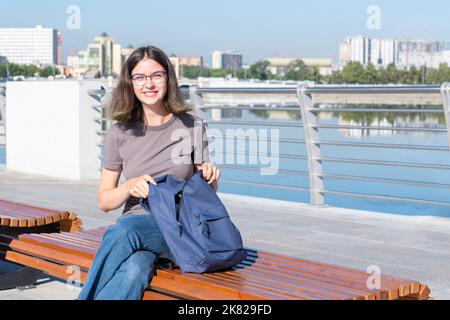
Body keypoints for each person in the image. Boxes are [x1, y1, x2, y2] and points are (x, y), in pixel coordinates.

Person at [77, 45, 220, 300]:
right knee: (135, 269)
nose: (149, 84)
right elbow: (104, 202)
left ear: (168, 78)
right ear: (130, 83)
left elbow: (205, 194)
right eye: (140, 77)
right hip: (137, 225)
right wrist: (129, 185)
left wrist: (210, 178)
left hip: (178, 227)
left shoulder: (190, 125)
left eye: (156, 75)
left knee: (124, 231)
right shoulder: (120, 132)